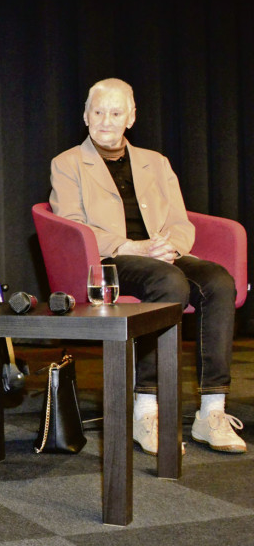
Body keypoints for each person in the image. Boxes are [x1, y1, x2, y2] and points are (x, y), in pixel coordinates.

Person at [50, 77, 244, 455]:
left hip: (162, 254)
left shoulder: (156, 162)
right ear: (85, 116)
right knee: (169, 282)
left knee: (219, 281)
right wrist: (132, 246)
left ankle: (212, 411)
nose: (106, 121)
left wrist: (169, 246)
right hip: (109, 261)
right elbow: (72, 224)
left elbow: (180, 219)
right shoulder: (67, 163)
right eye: (99, 111)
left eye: (116, 112)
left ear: (131, 118)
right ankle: (147, 410)